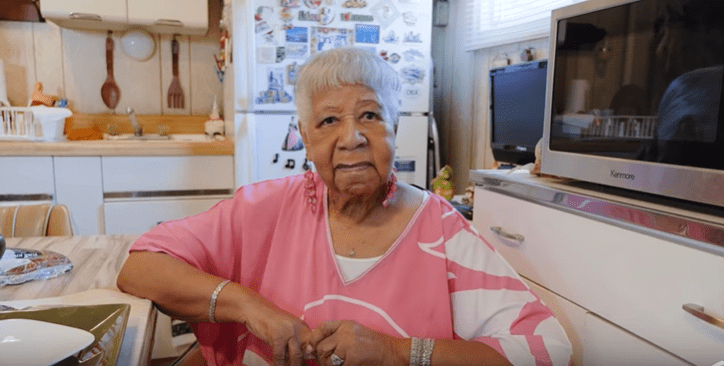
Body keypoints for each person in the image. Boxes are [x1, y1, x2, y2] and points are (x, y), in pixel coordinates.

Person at [117, 47, 572, 366]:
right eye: (329, 120)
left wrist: (398, 353)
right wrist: (250, 306)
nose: (351, 137)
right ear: (306, 137)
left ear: (395, 128)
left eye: (370, 116)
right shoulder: (265, 209)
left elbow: (546, 348)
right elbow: (140, 267)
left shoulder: (441, 231)